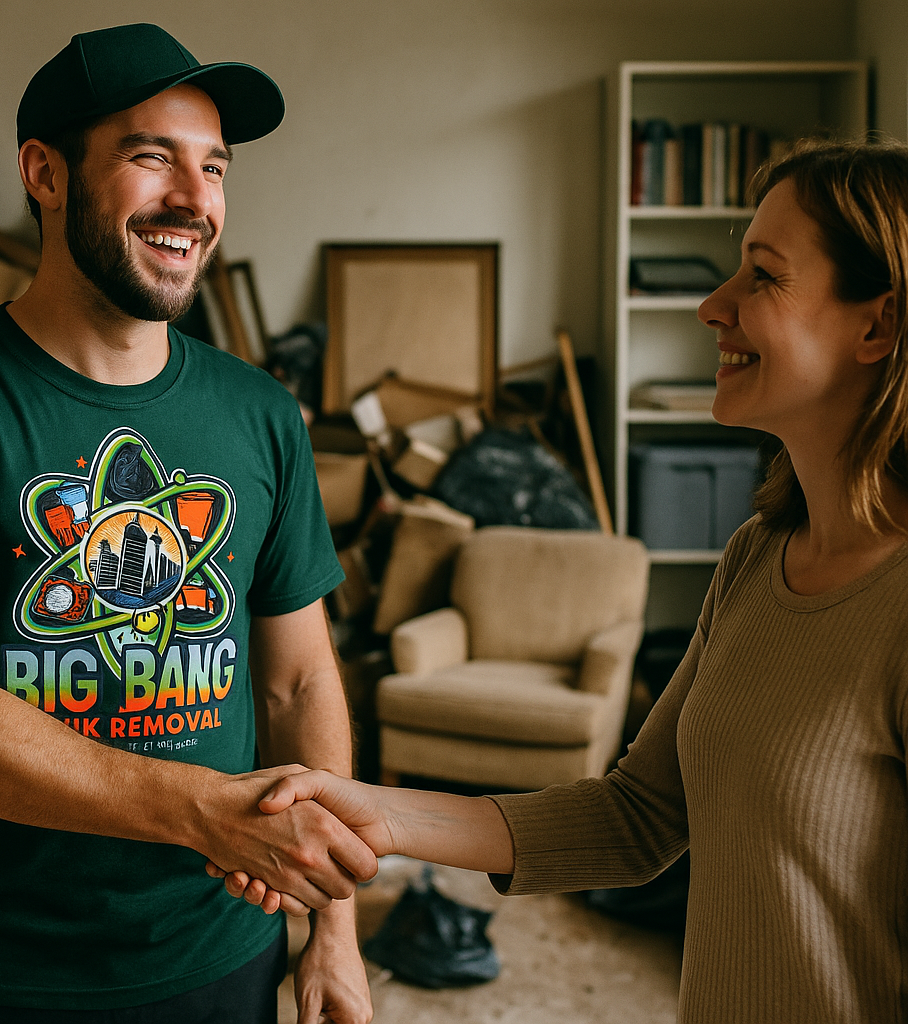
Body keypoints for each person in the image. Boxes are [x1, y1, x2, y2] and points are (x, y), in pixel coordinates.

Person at [224, 139, 908, 1024]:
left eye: (763, 276)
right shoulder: (755, 557)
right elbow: (637, 816)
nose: (713, 305)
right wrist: (381, 816)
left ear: (878, 325)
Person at [0, 22, 377, 1024]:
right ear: (45, 173)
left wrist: (333, 927)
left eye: (214, 168)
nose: (196, 202)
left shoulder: (260, 414)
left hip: (220, 954)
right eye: (152, 158)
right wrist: (202, 810)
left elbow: (297, 678)